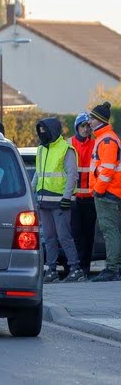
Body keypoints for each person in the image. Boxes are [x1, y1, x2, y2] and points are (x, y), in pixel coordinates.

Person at [32, 118, 85, 283]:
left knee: (64, 236)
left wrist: (67, 197)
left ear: (53, 130)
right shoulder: (41, 149)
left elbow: (72, 176)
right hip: (44, 201)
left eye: (44, 130)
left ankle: (76, 269)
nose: (42, 134)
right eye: (40, 131)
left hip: (60, 202)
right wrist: (30, 191)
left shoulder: (66, 149)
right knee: (48, 237)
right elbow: (38, 173)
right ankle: (51, 270)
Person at [87, 102, 121, 282]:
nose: (89, 121)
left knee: (110, 231)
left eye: (92, 118)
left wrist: (98, 191)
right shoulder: (106, 138)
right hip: (111, 192)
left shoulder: (106, 140)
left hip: (108, 194)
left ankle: (112, 268)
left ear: (100, 120)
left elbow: (107, 170)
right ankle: (116, 267)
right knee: (113, 230)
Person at [69, 112, 97, 274]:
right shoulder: (69, 144)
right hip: (73, 198)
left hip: (90, 197)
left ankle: (84, 268)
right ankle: (75, 266)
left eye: (88, 126)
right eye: (82, 126)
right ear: (77, 127)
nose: (86, 129)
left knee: (88, 235)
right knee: (75, 235)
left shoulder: (94, 144)